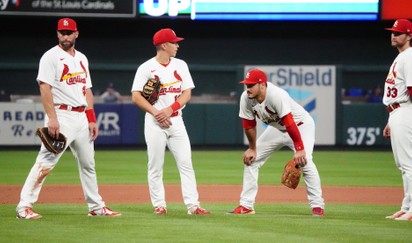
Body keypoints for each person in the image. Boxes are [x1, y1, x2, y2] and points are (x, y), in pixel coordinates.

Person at [16, 18, 121, 219]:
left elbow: (87, 89)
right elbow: (44, 87)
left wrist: (91, 118)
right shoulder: (50, 57)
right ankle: (24, 207)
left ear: (76, 34)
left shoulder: (82, 58)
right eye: (62, 33)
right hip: (61, 115)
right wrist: (52, 118)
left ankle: (96, 207)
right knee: (45, 162)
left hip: (82, 117)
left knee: (88, 164)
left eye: (69, 32)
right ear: (57, 34)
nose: (65, 36)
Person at [131, 28, 210, 215]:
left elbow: (187, 93)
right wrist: (157, 112)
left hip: (176, 120)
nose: (177, 45)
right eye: (174, 42)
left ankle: (193, 206)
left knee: (186, 163)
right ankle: (159, 205)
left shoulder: (181, 65)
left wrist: (170, 109)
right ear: (164, 45)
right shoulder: (146, 68)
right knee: (155, 164)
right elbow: (136, 96)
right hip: (154, 122)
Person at [228, 69, 325, 216]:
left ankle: (317, 206)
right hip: (277, 129)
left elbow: (289, 122)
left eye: (251, 85)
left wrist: (299, 148)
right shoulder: (246, 98)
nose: (248, 88)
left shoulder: (276, 95)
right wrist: (252, 149)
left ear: (262, 85)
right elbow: (248, 125)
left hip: (300, 126)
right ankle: (246, 206)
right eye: (246, 85)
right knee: (251, 160)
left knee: (305, 161)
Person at [382, 19, 412, 221]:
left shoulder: (409, 56)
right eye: (392, 32)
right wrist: (391, 119)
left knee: (409, 163)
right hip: (399, 111)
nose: (393, 35)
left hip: (407, 111)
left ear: (409, 36)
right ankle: (408, 205)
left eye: (398, 33)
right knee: (403, 164)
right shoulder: (403, 56)